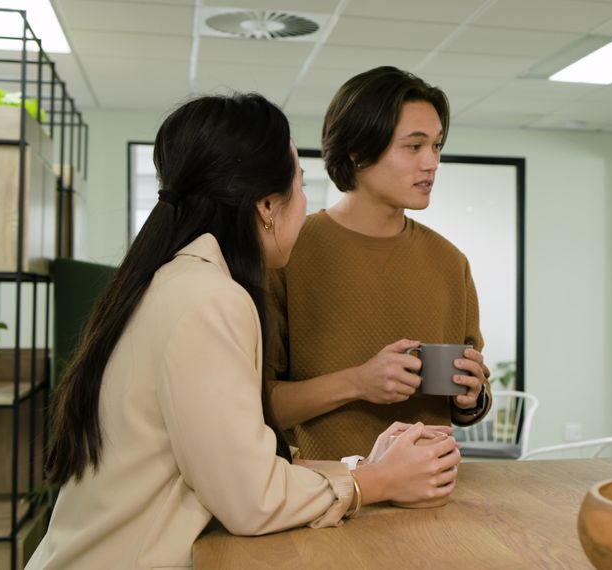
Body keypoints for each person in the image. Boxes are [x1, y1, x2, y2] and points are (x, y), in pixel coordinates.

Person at [30, 94, 460, 569]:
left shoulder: (180, 281)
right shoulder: (211, 300)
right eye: (299, 187)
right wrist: (375, 482)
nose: (430, 163)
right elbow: (249, 497)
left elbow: (232, 460)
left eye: (436, 146)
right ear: (267, 206)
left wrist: (363, 468)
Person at [265, 66, 490, 460]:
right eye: (414, 146)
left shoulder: (450, 263)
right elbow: (259, 406)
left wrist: (471, 397)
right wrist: (358, 382)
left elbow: (469, 401)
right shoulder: (288, 254)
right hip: (322, 498)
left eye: (436, 145)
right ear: (357, 152)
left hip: (430, 493)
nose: (432, 162)